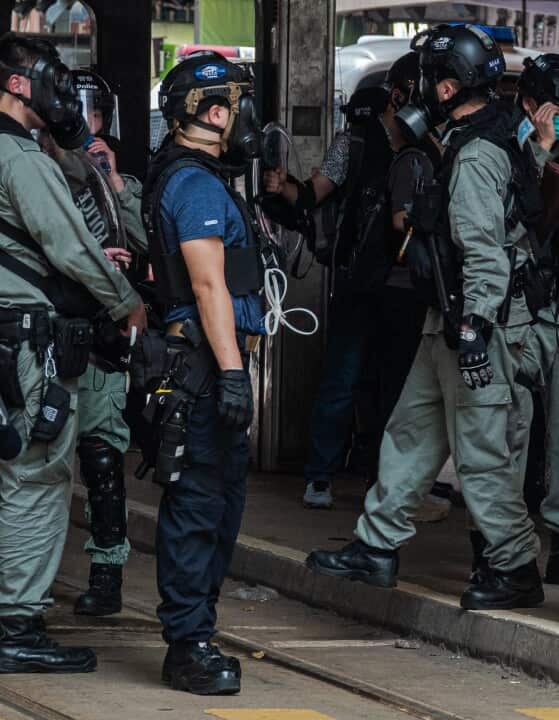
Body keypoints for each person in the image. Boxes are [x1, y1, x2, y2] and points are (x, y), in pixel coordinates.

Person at [307, 24, 546, 611]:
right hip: (449, 321)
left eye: (423, 80)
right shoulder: (486, 136)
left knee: (483, 455)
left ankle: (515, 567)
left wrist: (474, 331)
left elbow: (486, 253)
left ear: (446, 88)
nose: (413, 93)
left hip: (477, 329)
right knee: (410, 434)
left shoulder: (475, 156)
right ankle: (376, 547)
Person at [0, 33, 144, 675]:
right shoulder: (22, 158)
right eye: (50, 78)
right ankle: (15, 623)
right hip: (26, 341)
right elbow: (70, 245)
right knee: (34, 475)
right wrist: (125, 303)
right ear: (18, 85)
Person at [146, 51, 267, 694]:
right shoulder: (195, 185)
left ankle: (198, 631)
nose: (248, 119)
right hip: (201, 366)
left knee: (220, 505)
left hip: (207, 363)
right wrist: (230, 374)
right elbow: (207, 285)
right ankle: (187, 644)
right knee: (198, 508)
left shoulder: (202, 178)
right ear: (215, 112)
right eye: (239, 105)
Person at [264, 54, 430, 510]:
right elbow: (315, 189)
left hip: (408, 289)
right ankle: (320, 476)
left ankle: (387, 482)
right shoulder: (355, 141)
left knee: (397, 390)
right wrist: (284, 190)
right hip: (357, 283)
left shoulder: (432, 144)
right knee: (342, 380)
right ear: (399, 93)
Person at [47, 69, 147, 618]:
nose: (88, 127)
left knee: (103, 456)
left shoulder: (114, 185)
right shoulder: (38, 175)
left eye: (97, 115)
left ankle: (107, 570)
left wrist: (116, 188)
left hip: (103, 340)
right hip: (52, 330)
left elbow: (151, 241)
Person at [511, 52, 559, 586]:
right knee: (507, 430)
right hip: (515, 309)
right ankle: (502, 542)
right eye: (555, 110)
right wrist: (539, 153)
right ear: (529, 105)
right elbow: (517, 218)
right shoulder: (500, 148)